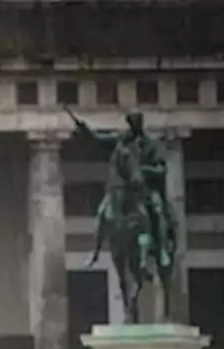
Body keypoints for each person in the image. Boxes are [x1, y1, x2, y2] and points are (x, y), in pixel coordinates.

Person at [69, 108, 176, 272]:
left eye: (136, 122)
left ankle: (162, 250)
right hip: (121, 188)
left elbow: (161, 168)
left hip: (144, 188)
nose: (134, 125)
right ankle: (95, 251)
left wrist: (144, 170)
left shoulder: (151, 144)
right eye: (131, 122)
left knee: (157, 209)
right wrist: (82, 127)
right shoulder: (119, 141)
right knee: (102, 212)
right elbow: (97, 138)